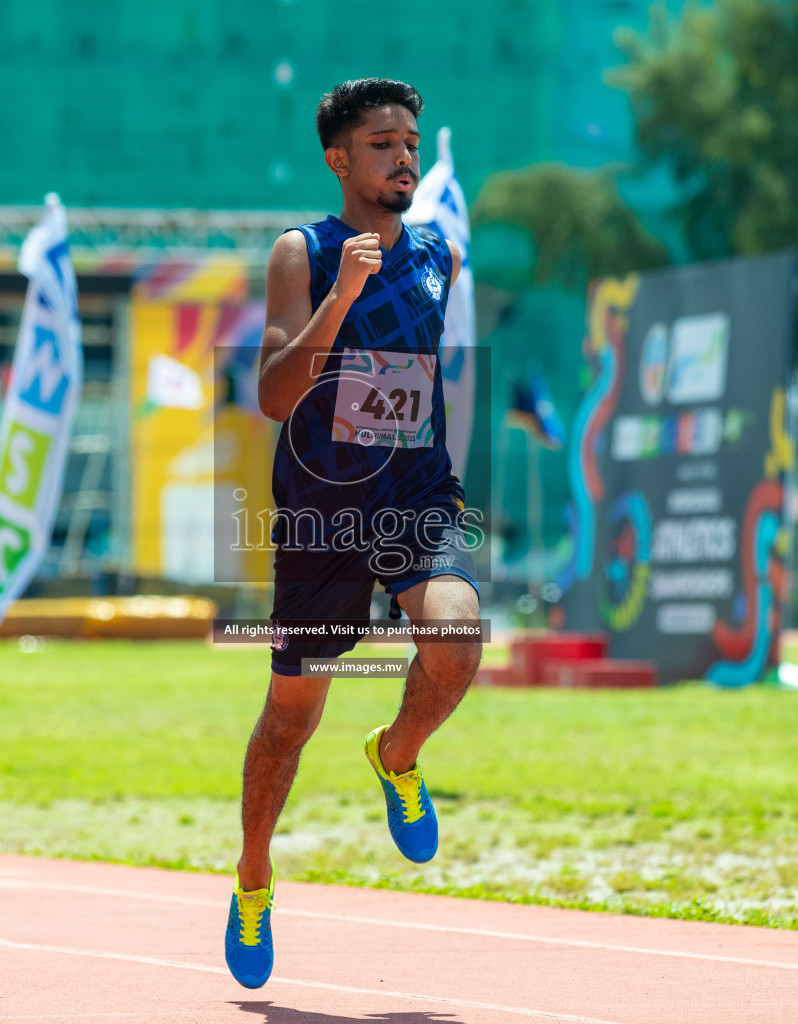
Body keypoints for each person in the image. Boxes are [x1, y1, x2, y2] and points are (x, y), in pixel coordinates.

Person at [225, 78, 483, 989]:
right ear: (340, 159)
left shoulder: (438, 253)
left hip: (413, 497)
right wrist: (341, 297)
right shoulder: (303, 252)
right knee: (292, 718)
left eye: (409, 140)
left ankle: (398, 753)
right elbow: (271, 395)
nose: (403, 156)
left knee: (456, 632)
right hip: (321, 513)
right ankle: (254, 874)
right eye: (383, 143)